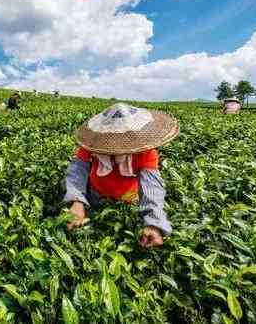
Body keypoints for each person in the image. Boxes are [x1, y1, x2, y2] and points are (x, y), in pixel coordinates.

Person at [63, 103, 179, 249]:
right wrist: (77, 201)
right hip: (96, 194)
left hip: (128, 198)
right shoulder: (91, 145)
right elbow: (77, 171)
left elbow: (152, 186)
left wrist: (154, 222)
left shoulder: (145, 151)